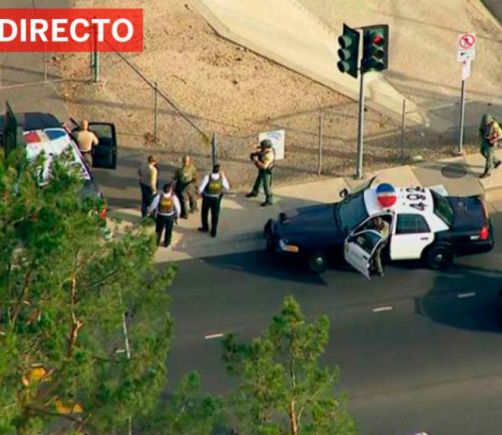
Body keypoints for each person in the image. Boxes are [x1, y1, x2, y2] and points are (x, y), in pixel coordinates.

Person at [198, 164, 230, 237]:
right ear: (219, 171)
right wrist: (224, 176)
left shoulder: (207, 177)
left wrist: (200, 193)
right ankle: (214, 230)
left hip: (207, 198)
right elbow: (227, 187)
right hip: (216, 198)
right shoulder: (222, 178)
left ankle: (205, 227)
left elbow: (200, 189)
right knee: (215, 215)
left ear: (212, 169)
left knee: (204, 213)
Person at [147, 182, 181, 248]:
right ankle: (167, 243)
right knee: (169, 230)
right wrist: (177, 215)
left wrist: (150, 212)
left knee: (158, 230)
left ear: (163, 190)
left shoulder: (159, 197)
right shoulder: (173, 197)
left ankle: (156, 242)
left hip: (160, 216)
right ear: (170, 190)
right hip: (170, 216)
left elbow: (153, 206)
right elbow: (178, 208)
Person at [246, 139, 275, 207]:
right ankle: (255, 192)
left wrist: (256, 161)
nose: (262, 148)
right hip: (262, 170)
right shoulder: (267, 149)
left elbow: (264, 166)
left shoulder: (269, 155)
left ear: (266, 148)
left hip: (266, 171)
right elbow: (262, 149)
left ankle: (269, 200)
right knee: (258, 181)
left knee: (266, 186)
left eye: (263, 147)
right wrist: (257, 147)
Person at [174, 155, 198, 219]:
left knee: (183, 200)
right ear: (189, 161)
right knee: (192, 196)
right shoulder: (192, 168)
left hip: (181, 185)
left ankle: (185, 214)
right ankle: (193, 208)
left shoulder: (179, 169)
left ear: (183, 161)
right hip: (190, 184)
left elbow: (176, 178)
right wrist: (194, 183)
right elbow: (195, 177)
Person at [479, 114, 502, 178]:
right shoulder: (483, 123)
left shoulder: (494, 125)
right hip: (484, 140)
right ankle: (496, 161)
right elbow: (480, 129)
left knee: (489, 157)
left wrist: (495, 139)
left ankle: (487, 172)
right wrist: (480, 135)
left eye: (487, 123)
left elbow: (501, 134)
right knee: (482, 152)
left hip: (491, 143)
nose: (485, 124)